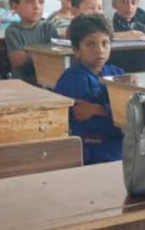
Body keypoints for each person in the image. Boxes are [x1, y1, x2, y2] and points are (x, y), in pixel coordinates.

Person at [53, 13, 124, 164]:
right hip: (92, 153)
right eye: (91, 44)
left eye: (105, 43)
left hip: (121, 151)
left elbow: (133, 116)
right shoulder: (73, 80)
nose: (100, 50)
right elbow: (89, 123)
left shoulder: (117, 74)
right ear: (76, 49)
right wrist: (116, 115)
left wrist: (100, 110)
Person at [4, 0, 57, 84]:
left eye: (41, 2)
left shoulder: (48, 27)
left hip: (49, 79)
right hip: (24, 82)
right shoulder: (13, 31)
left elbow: (57, 54)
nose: (37, 6)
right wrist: (46, 54)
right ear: (15, 7)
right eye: (29, 1)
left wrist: (30, 54)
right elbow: (17, 59)